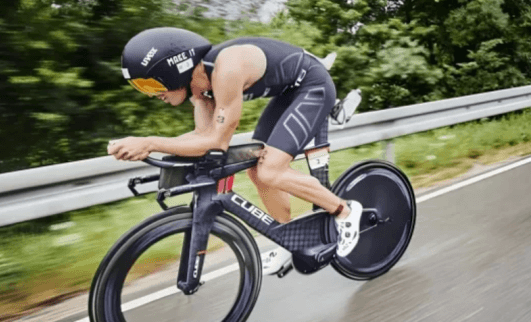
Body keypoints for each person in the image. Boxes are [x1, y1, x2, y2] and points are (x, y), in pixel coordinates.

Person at [108, 27, 362, 271]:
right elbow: (202, 139)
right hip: (289, 93)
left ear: (175, 68)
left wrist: (150, 142)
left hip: (312, 84)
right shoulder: (199, 91)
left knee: (270, 170)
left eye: (151, 85)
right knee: (256, 168)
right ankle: (290, 237)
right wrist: (144, 145)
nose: (152, 95)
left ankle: (345, 212)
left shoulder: (225, 69)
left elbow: (217, 142)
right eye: (142, 88)